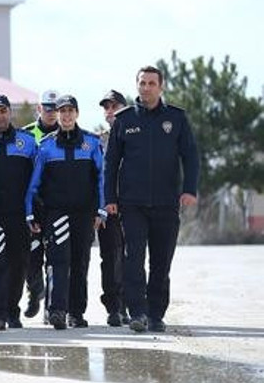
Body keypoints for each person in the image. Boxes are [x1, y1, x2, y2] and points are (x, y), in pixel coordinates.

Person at [104, 66, 199, 333]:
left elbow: (190, 156)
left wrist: (189, 189)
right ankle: (137, 313)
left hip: (167, 203)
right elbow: (111, 163)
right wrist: (110, 197)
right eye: (142, 83)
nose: (146, 87)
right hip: (131, 204)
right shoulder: (123, 119)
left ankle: (156, 314)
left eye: (151, 83)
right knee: (133, 259)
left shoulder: (176, 118)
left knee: (161, 262)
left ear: (161, 86)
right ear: (137, 86)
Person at [25, 95, 106, 330]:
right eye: (62, 111)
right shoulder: (47, 145)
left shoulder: (91, 143)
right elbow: (34, 184)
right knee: (58, 261)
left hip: (84, 214)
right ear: (57, 115)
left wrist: (101, 210)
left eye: (71, 111)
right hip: (57, 213)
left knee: (80, 262)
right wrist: (30, 212)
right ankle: (57, 311)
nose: (67, 115)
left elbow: (101, 179)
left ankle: (76, 313)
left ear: (77, 114)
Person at [0, 94, 38, 331]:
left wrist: (36, 212)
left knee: (19, 263)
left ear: (9, 113)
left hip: (19, 214)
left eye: (3, 111)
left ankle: (12, 312)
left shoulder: (28, 141)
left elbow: (37, 179)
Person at [20, 89, 59, 321]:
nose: (52, 113)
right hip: (32, 205)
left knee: (56, 256)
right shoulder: (26, 135)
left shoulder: (68, 134)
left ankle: (52, 307)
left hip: (56, 203)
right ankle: (35, 292)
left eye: (55, 109)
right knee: (32, 255)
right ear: (39, 109)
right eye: (47, 108)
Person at [97, 89, 130, 327]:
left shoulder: (135, 136)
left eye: (114, 106)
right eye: (107, 107)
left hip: (133, 206)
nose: (110, 111)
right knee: (110, 258)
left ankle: (132, 305)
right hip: (107, 208)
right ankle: (114, 307)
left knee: (132, 257)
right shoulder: (99, 141)